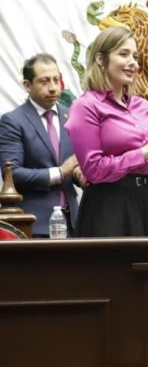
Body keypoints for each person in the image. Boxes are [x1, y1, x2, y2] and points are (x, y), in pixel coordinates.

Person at [65, 26, 148, 236]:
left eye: (135, 56)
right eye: (124, 54)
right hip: (109, 205)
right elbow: (93, 170)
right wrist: (146, 151)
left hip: (146, 201)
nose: (133, 63)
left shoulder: (143, 106)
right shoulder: (85, 106)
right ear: (100, 59)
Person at [0, 54, 82, 237]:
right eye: (44, 81)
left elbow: (74, 164)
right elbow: (11, 175)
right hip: (34, 225)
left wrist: (80, 174)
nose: (53, 87)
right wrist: (60, 172)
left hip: (73, 225)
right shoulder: (13, 121)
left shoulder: (72, 117)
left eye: (56, 80)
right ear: (27, 85)